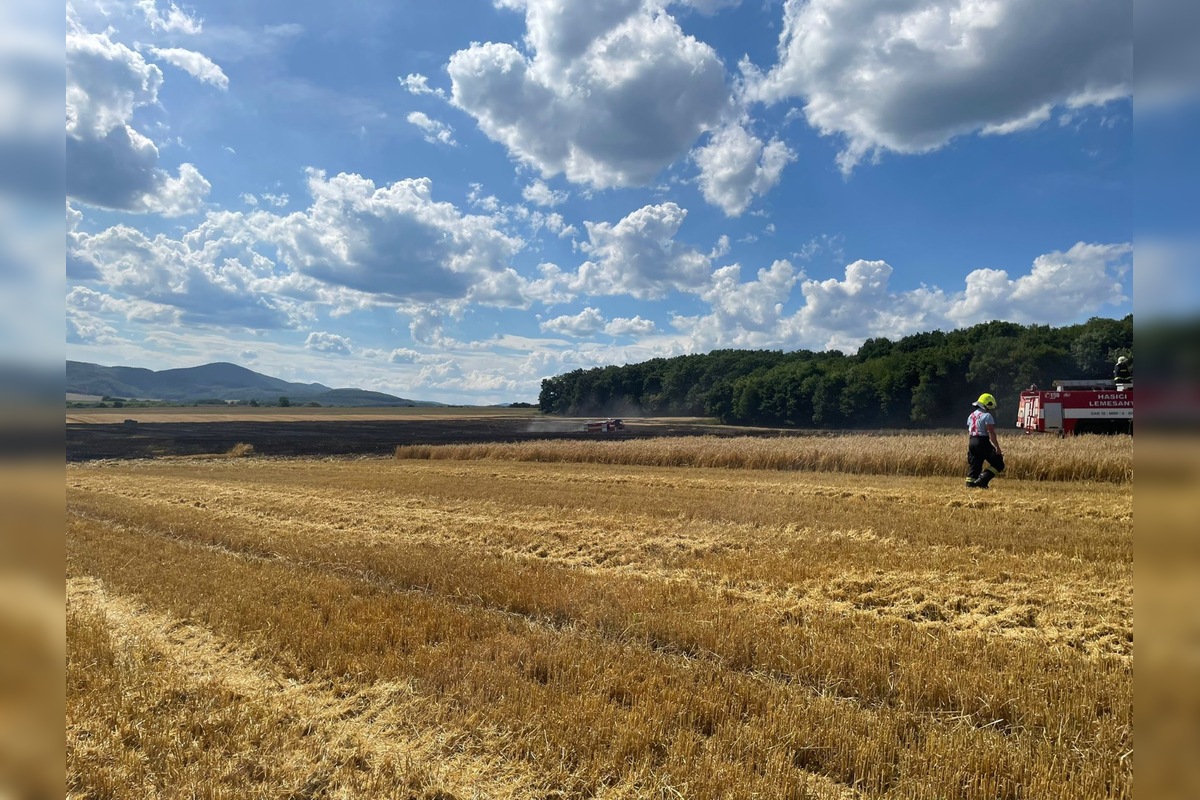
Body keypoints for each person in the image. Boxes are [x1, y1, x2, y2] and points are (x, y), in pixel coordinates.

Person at [966, 392, 1005, 490]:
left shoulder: (971, 415)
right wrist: (997, 448)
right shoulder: (987, 416)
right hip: (982, 441)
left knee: (976, 464)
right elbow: (991, 433)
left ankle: (970, 484)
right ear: (986, 404)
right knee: (999, 463)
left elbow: (970, 430)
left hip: (972, 441)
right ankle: (982, 480)